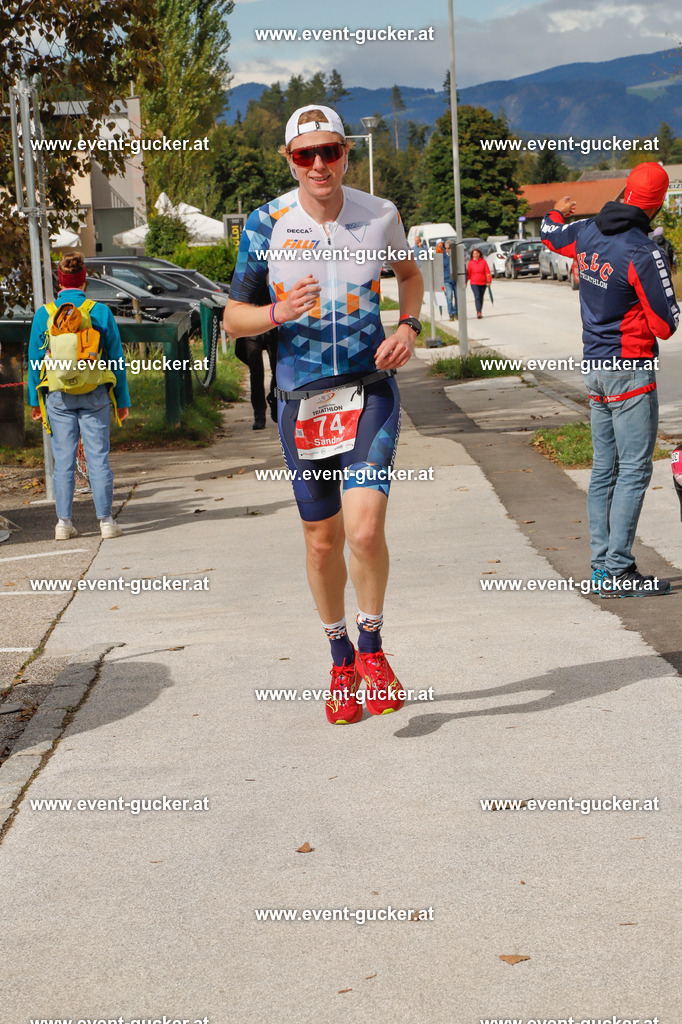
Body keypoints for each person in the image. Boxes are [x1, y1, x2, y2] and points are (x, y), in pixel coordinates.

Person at [224, 103, 424, 725]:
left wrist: (409, 326)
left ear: (346, 155)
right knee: (322, 540)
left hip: (370, 388)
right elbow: (234, 316)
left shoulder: (380, 214)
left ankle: (372, 647)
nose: (319, 164)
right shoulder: (267, 224)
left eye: (330, 152)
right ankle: (339, 661)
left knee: (364, 531)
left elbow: (412, 275)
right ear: (289, 159)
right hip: (302, 400)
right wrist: (279, 314)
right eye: (305, 154)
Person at [541, 161, 680, 597]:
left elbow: (549, 234)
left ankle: (602, 565)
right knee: (635, 470)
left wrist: (559, 210)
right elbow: (666, 325)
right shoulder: (644, 250)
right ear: (657, 204)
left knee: (605, 468)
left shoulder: (587, 230)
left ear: (623, 191)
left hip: (595, 370)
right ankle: (618, 571)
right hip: (630, 370)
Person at [27, 252, 130, 540]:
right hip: (95, 392)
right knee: (98, 458)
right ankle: (106, 521)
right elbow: (117, 359)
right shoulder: (99, 311)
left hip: (58, 395)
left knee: (64, 460)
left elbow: (35, 361)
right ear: (84, 278)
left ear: (59, 280)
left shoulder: (44, 314)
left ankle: (64, 523)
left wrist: (35, 402)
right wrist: (121, 401)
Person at [232, 281, 278, 429]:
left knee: (277, 367)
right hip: (251, 321)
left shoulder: (276, 261)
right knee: (256, 371)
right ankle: (259, 415)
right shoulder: (246, 262)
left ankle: (275, 401)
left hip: (273, 318)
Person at [467, 247, 491, 318]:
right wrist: (465, 282)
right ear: (472, 255)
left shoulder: (483, 262)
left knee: (481, 297)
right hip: (474, 283)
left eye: (477, 253)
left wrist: (488, 281)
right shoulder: (470, 263)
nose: (476, 255)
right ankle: (478, 312)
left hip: (483, 283)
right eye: (474, 253)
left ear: (479, 254)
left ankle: (480, 310)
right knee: (477, 296)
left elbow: (487, 272)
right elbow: (468, 274)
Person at [440, 240, 457, 320]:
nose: (447, 250)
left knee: (457, 297)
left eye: (449, 248)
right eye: (446, 248)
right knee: (449, 297)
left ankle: (456, 311)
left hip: (456, 280)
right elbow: (439, 269)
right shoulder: (443, 257)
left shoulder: (456, 256)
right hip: (447, 280)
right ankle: (451, 314)